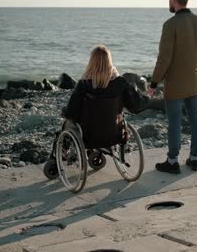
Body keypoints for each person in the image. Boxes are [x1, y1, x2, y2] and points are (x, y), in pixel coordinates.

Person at [44, 45, 149, 178]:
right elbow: (135, 106)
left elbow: (73, 113)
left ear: (91, 62)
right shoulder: (121, 83)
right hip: (114, 133)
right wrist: (147, 98)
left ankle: (58, 156)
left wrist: (65, 112)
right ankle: (94, 151)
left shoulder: (84, 85)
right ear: (110, 62)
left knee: (67, 124)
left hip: (88, 135)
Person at [148, 0, 197, 174]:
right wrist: (194, 62)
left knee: (175, 122)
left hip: (175, 84)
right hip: (195, 79)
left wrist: (154, 83)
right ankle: (194, 160)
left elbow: (164, 59)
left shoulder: (170, 25)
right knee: (195, 120)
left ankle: (172, 161)